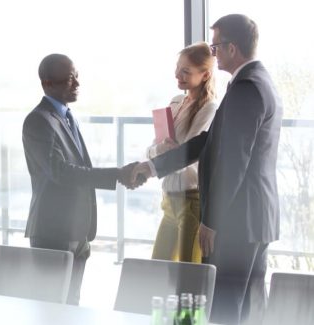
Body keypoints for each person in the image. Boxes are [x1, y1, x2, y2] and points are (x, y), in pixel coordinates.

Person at [131, 14, 283, 325]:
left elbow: (233, 161)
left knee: (226, 309)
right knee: (248, 309)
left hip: (239, 219)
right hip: (255, 217)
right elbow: (208, 142)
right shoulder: (257, 81)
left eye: (214, 48)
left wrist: (211, 220)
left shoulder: (247, 87)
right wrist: (152, 166)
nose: (213, 54)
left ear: (232, 48)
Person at [22, 53, 139, 305]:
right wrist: (117, 174)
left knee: (72, 303)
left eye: (77, 76)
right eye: (69, 79)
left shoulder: (67, 116)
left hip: (78, 230)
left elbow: (78, 167)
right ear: (47, 83)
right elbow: (61, 172)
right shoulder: (38, 121)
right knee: (50, 307)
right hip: (53, 231)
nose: (76, 83)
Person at [146, 42, 217, 263]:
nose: (178, 75)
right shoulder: (176, 102)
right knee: (156, 269)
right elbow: (152, 150)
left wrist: (165, 153)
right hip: (169, 200)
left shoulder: (209, 108)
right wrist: (162, 150)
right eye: (178, 68)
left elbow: (188, 154)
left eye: (186, 71)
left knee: (187, 278)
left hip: (191, 202)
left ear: (205, 75)